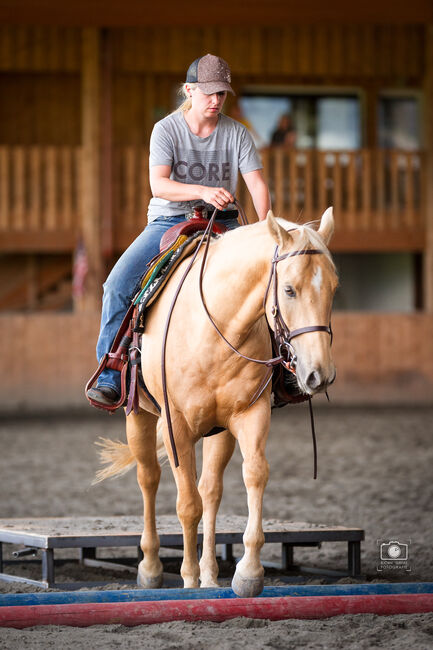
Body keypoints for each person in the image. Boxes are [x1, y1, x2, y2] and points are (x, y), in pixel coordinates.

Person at [87, 53, 271, 407]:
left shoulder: (237, 133)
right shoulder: (166, 129)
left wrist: (266, 232)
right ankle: (110, 373)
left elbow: (257, 185)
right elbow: (159, 185)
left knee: (272, 281)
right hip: (170, 220)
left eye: (222, 94)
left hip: (225, 222)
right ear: (190, 90)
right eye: (209, 93)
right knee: (116, 285)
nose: (216, 100)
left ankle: (282, 372)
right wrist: (202, 191)